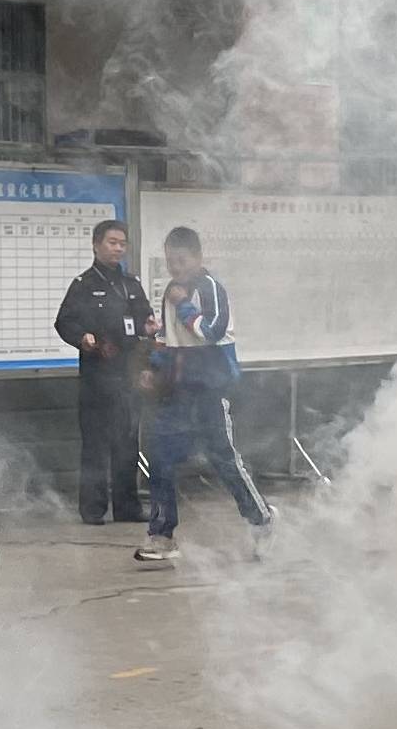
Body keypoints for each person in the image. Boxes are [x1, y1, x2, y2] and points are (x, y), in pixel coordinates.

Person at [135, 224, 272, 567]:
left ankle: (262, 521)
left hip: (211, 390)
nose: (175, 268)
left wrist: (183, 306)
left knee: (224, 461)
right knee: (160, 460)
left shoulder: (210, 288)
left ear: (198, 257)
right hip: (177, 392)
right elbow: (169, 340)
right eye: (170, 261)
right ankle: (162, 535)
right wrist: (154, 365)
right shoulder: (171, 290)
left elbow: (211, 332)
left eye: (181, 261)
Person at [52, 216, 154, 525]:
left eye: (122, 244)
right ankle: (93, 510)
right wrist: (81, 338)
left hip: (127, 378)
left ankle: (127, 508)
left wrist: (149, 327)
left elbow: (144, 320)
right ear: (96, 246)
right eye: (112, 242)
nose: (118, 249)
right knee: (95, 445)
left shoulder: (131, 284)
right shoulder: (83, 285)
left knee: (127, 444)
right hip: (97, 378)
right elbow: (64, 322)